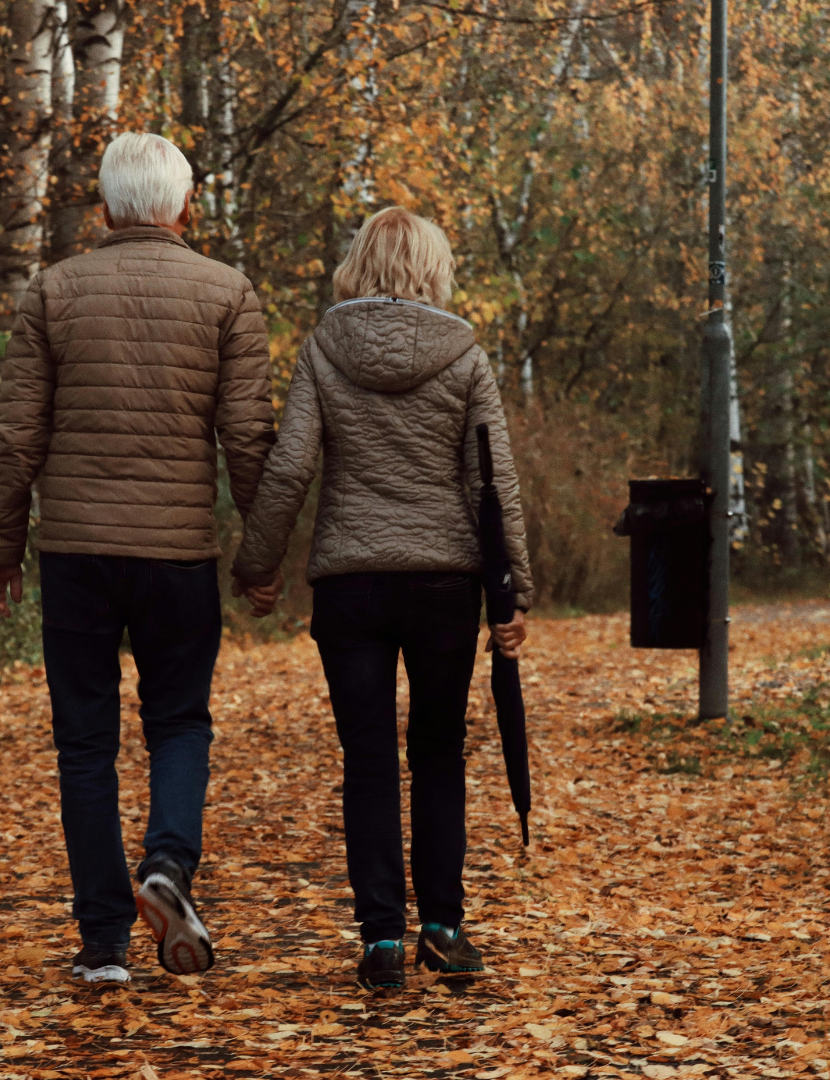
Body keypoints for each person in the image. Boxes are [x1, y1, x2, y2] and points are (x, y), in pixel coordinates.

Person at [0, 132, 282, 984]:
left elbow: (16, 436)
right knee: (179, 721)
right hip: (176, 552)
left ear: (107, 211)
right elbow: (250, 439)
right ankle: (167, 866)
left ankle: (104, 943)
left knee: (86, 743)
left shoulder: (55, 290)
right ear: (185, 209)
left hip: (75, 552)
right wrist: (260, 556)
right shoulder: (228, 293)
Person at [231, 207, 533, 991]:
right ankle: (443, 925)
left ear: (359, 265)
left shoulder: (324, 351)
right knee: (436, 751)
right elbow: (492, 484)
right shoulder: (465, 357)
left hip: (351, 584)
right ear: (433, 270)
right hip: (444, 584)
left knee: (367, 760)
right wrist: (511, 594)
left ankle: (382, 942)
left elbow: (292, 466)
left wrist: (256, 565)